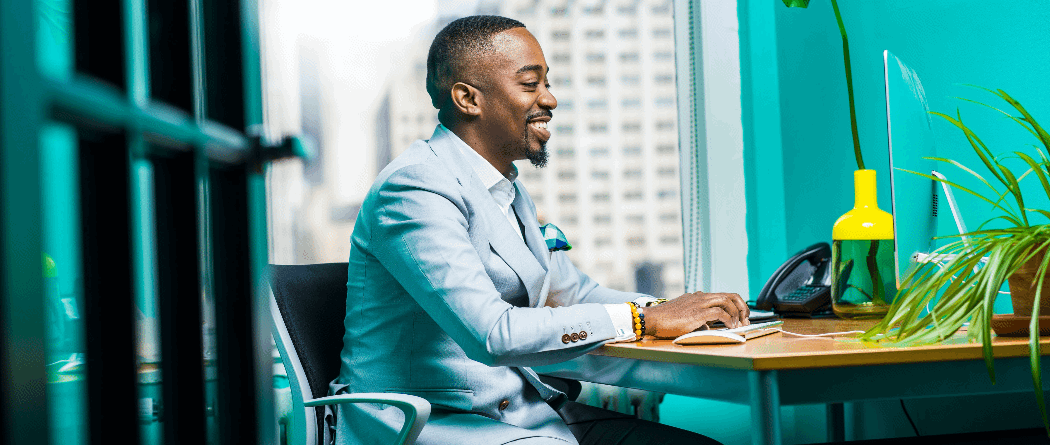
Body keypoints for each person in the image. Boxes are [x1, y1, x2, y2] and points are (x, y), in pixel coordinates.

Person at [332, 15, 749, 445]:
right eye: (531, 84)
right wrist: (643, 319)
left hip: (525, 417)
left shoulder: (504, 188)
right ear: (467, 98)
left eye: (547, 83)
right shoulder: (414, 188)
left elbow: (575, 294)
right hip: (433, 424)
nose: (550, 99)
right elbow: (493, 334)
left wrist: (680, 310)